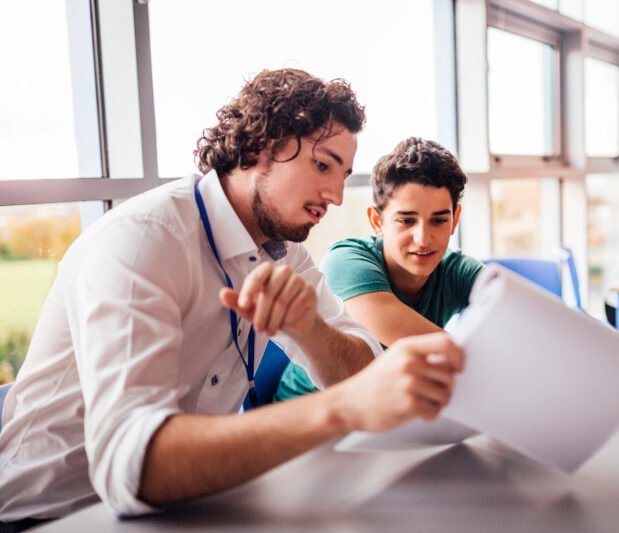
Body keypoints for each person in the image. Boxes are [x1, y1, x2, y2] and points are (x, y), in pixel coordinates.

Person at [0, 69, 464, 528]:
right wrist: (342, 407)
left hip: (190, 505)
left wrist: (311, 330)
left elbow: (364, 368)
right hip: (52, 514)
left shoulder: (283, 253)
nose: (336, 196)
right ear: (258, 146)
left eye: (343, 174)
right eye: (323, 165)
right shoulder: (145, 241)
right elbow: (132, 465)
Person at [275, 137, 483, 401]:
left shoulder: (458, 270)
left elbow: (516, 319)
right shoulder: (346, 261)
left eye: (439, 220)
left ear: (454, 221)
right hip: (307, 416)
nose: (423, 238)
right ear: (377, 221)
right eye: (406, 220)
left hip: (385, 412)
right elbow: (452, 356)